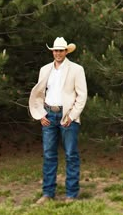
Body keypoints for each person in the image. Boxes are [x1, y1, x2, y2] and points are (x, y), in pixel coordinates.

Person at [29, 37, 87, 204]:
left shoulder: (76, 69)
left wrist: (72, 116)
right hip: (49, 114)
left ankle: (71, 194)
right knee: (48, 155)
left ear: (66, 51)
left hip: (67, 116)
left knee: (71, 155)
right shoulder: (45, 69)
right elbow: (39, 93)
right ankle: (48, 193)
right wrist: (41, 114)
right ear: (52, 52)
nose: (58, 53)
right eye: (55, 50)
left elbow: (82, 95)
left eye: (61, 50)